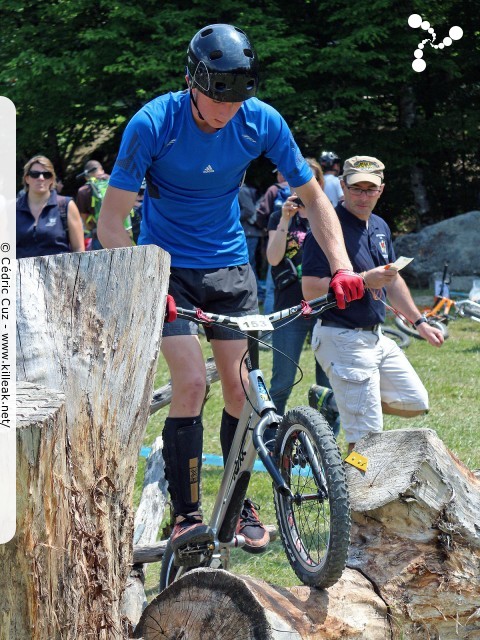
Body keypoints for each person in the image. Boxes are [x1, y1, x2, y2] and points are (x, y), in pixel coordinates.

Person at [97, 23, 364, 563]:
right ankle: (186, 514)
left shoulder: (260, 120)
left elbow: (315, 200)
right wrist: (144, 284)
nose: (225, 111)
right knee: (192, 382)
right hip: (164, 269)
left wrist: (341, 266)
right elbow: (108, 224)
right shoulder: (154, 123)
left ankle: (237, 504)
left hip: (230, 269)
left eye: (237, 99)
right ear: (193, 81)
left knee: (242, 392)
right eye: (216, 99)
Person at [302, 155, 444, 453]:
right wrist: (364, 280)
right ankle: (356, 496)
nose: (363, 196)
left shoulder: (379, 225)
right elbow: (310, 289)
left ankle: (336, 402)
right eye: (356, 188)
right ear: (342, 186)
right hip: (342, 335)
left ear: (381, 189)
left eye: (370, 189)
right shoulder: (327, 227)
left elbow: (392, 280)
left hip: (376, 337)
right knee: (367, 438)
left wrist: (420, 323)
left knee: (415, 401)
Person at [266, 158, 332, 420]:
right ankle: (271, 437)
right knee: (282, 380)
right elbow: (272, 258)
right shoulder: (279, 215)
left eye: (311, 179)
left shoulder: (327, 214)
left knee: (326, 384)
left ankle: (322, 440)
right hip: (289, 306)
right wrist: (284, 218)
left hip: (324, 306)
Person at [17, 155, 85, 259]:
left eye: (46, 175)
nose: (41, 178)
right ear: (27, 178)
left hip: (59, 273)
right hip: (20, 274)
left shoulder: (66, 205)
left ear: (52, 179)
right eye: (35, 174)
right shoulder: (11, 209)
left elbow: (79, 249)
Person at [256, 168, 290, 314]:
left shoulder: (273, 190)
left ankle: (267, 332)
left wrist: (266, 228)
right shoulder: (304, 190)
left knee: (271, 288)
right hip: (298, 241)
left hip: (276, 238)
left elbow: (261, 213)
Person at [76, 159, 110, 250]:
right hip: (124, 230)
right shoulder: (114, 181)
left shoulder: (83, 191)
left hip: (100, 236)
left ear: (86, 176)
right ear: (101, 169)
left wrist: (92, 229)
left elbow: (85, 219)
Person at [238, 182, 263, 284]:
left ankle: (258, 293)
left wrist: (231, 216)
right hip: (249, 233)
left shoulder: (241, 190)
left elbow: (249, 210)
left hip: (249, 233)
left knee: (248, 264)